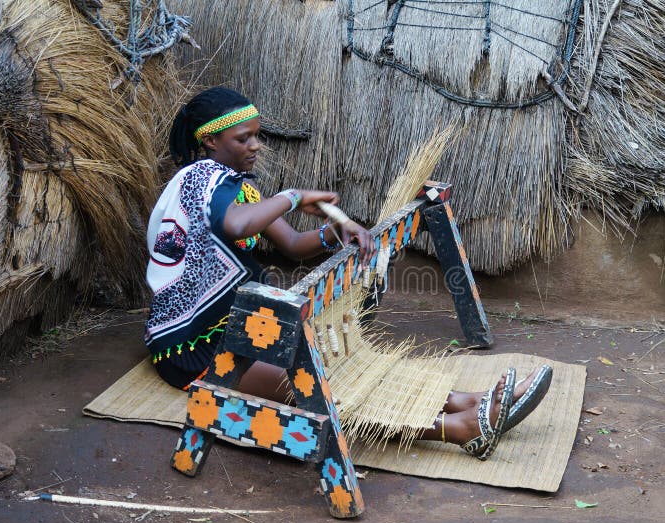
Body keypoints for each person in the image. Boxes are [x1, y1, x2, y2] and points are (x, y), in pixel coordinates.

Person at [144, 87, 551, 458]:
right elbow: (236, 227)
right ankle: (458, 429)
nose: (255, 146)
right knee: (318, 384)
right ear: (210, 141)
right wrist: (294, 196)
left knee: (334, 366)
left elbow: (291, 244)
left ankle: (471, 401)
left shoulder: (237, 189)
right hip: (191, 348)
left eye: (257, 135)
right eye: (243, 139)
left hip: (234, 327)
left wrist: (334, 231)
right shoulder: (198, 180)